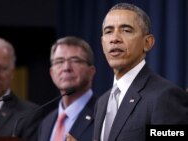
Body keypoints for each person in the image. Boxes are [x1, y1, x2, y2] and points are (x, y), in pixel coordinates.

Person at [93, 3, 188, 141]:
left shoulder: (165, 97)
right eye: (108, 31)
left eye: (126, 30)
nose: (114, 39)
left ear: (147, 43)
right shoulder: (102, 102)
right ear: (102, 44)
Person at [38, 36, 97, 141]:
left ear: (91, 72)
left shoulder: (103, 114)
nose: (66, 68)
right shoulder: (46, 122)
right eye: (59, 61)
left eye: (75, 61)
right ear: (51, 73)